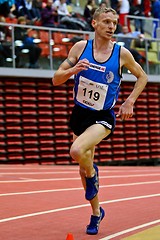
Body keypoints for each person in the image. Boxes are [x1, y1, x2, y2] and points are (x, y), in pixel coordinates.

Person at [52, 7, 148, 235]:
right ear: (94, 24)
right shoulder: (80, 48)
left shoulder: (121, 53)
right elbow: (56, 79)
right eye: (105, 21)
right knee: (82, 168)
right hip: (80, 113)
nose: (111, 26)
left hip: (102, 116)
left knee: (76, 151)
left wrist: (129, 102)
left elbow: (142, 76)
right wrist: (72, 70)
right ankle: (96, 214)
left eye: (114, 22)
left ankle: (93, 174)